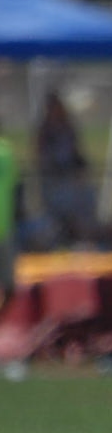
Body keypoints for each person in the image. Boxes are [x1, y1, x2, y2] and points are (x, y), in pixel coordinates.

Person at [34, 90, 99, 247]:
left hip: (72, 178)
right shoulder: (45, 132)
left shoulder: (68, 128)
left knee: (86, 196)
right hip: (55, 181)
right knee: (62, 203)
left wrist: (79, 167)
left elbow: (78, 154)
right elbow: (42, 159)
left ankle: (84, 239)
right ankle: (61, 237)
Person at [0, 119, 19, 321]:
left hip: (4, 229)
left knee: (10, 286)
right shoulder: (7, 151)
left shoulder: (5, 151)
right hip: (5, 229)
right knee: (9, 287)